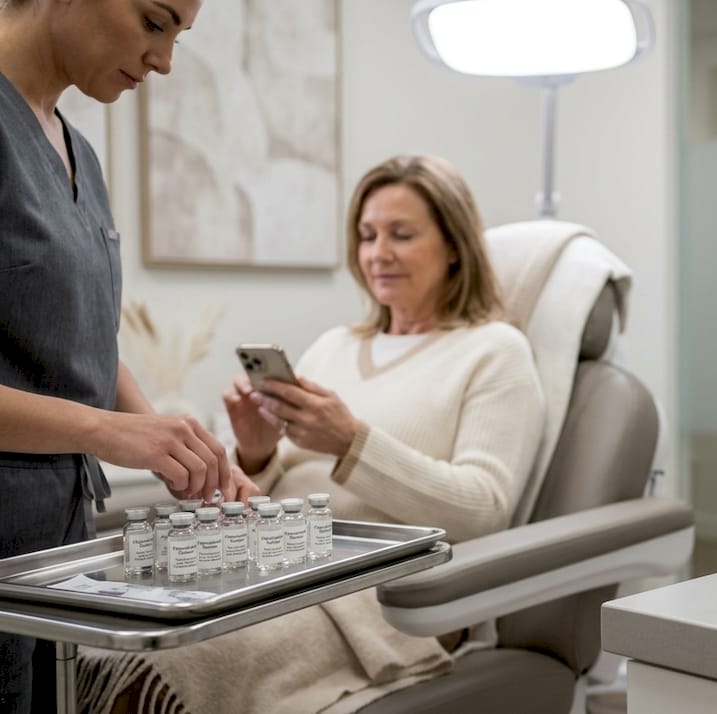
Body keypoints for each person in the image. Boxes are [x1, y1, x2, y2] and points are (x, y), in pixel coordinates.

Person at [77, 155, 546, 713]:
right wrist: (257, 452)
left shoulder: (495, 352)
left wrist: (352, 442)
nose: (378, 253)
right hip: (278, 562)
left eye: (402, 235)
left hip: (382, 590)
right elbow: (276, 490)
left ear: (454, 246)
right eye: (367, 236)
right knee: (98, 648)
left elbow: (484, 510)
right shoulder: (335, 346)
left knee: (163, 669)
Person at [0, 1, 257, 710]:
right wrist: (105, 431)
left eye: (179, 35)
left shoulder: (77, 152)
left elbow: (82, 341)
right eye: (153, 21)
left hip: (53, 551)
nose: (165, 61)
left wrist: (174, 447)